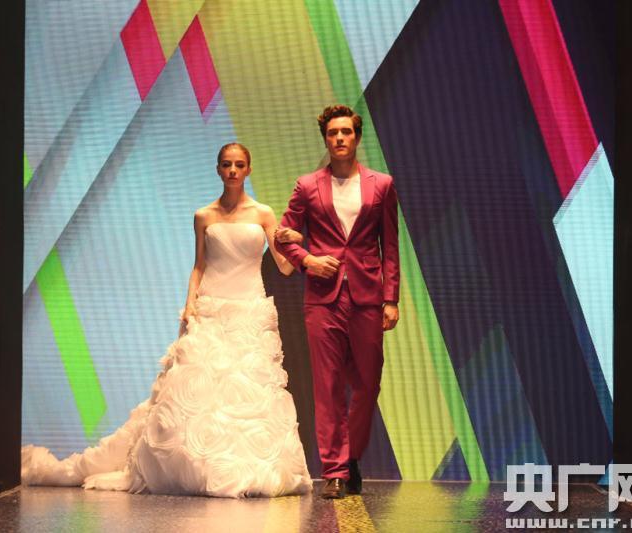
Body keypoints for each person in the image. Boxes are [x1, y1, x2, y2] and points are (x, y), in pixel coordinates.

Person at [21, 143, 313, 498]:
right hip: (210, 308)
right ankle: (199, 468)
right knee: (199, 390)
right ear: (218, 169)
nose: (233, 171)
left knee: (249, 392)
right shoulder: (204, 215)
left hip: (249, 311)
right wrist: (189, 305)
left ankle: (246, 469)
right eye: (227, 164)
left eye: (239, 165)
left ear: (248, 169)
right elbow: (199, 266)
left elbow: (283, 266)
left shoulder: (264, 214)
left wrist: (295, 240)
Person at [274, 105, 401, 499]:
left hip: (367, 294)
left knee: (368, 383)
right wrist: (308, 261)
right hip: (322, 298)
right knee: (327, 385)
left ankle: (351, 456)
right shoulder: (307, 185)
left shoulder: (382, 184)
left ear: (357, 137)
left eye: (346, 131)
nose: (340, 138)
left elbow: (390, 246)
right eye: (333, 133)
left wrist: (391, 298)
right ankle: (334, 471)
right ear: (325, 139)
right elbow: (283, 234)